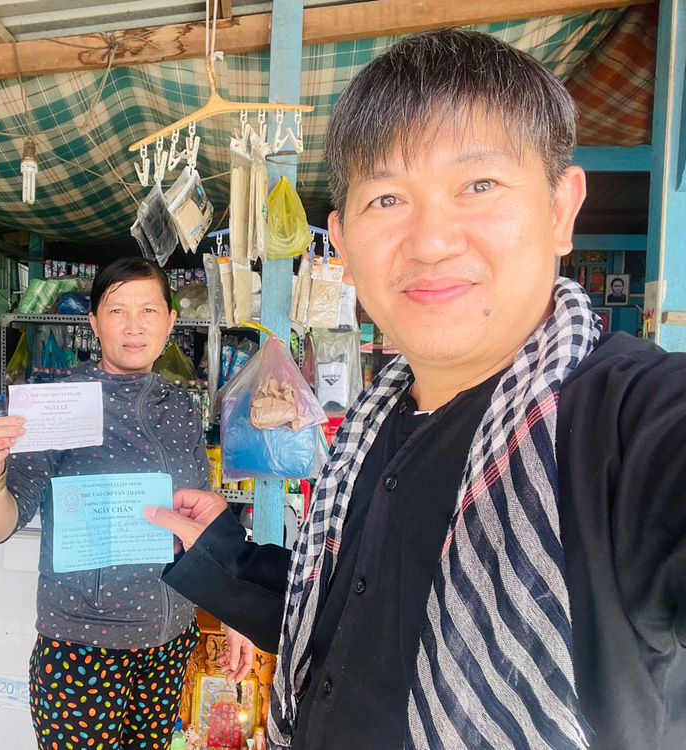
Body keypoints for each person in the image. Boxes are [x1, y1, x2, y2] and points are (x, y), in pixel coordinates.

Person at [145, 28, 686, 750]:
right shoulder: (373, 428)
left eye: (479, 185)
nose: (431, 240)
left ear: (561, 208)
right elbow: (343, 633)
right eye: (388, 198)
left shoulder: (628, 422)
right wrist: (221, 555)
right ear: (341, 244)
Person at [0, 257, 252, 750]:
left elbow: (198, 527)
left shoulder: (181, 407)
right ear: (94, 322)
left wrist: (234, 612)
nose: (134, 326)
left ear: (169, 322)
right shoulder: (57, 405)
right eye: (117, 310)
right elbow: (0, 524)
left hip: (168, 643)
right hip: (82, 649)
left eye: (148, 310)